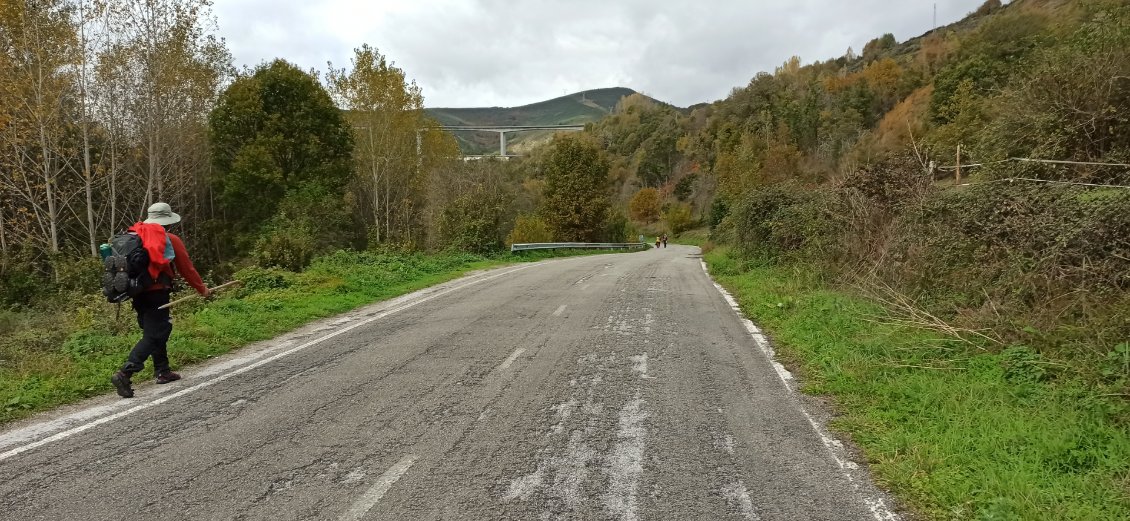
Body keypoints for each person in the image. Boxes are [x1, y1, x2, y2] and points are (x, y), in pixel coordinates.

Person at [110, 202, 209, 398]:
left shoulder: (136, 237)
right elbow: (186, 268)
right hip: (157, 292)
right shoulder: (169, 239)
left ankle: (162, 371)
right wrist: (202, 289)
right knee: (155, 333)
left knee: (155, 330)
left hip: (137, 292)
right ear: (168, 221)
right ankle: (125, 373)